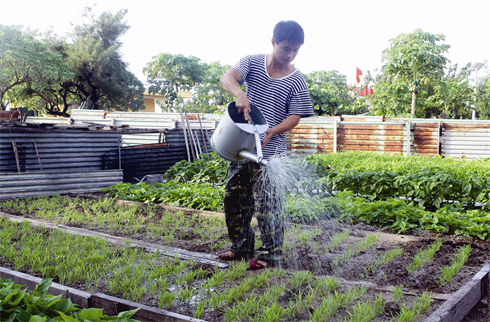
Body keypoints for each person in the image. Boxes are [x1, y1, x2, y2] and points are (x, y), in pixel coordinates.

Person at [218, 20, 314, 270]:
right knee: (234, 199)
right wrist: (240, 93)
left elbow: (295, 117)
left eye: (295, 50)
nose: (290, 54)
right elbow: (226, 78)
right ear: (273, 42)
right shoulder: (251, 62)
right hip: (243, 148)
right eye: (285, 48)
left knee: (269, 206)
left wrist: (274, 129)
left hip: (271, 153)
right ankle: (240, 248)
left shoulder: (296, 80)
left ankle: (268, 254)